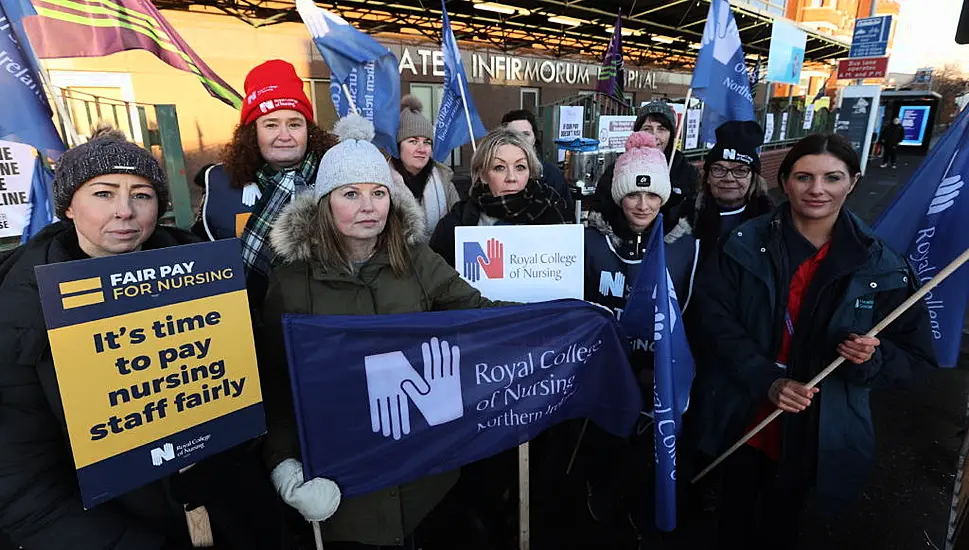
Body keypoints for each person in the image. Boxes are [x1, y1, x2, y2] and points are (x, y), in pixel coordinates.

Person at [0, 128, 290, 550]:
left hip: (236, 520)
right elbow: (26, 487)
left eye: (141, 195)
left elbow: (256, 389)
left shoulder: (206, 275)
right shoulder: (20, 306)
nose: (125, 211)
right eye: (103, 194)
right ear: (68, 207)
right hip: (121, 528)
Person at [259, 114, 508, 549]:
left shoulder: (417, 260)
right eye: (351, 194)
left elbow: (480, 315)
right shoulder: (292, 282)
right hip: (345, 484)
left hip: (425, 479)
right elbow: (278, 382)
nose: (368, 206)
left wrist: (566, 317)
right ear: (325, 202)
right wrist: (284, 466)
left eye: (378, 193)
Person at [689, 133, 937, 550]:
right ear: (784, 181)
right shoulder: (744, 244)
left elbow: (913, 358)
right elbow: (712, 321)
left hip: (820, 429)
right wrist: (762, 376)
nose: (817, 189)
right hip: (744, 416)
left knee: (784, 525)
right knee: (731, 518)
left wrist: (870, 360)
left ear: (853, 182)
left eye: (832, 177)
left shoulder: (885, 265)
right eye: (804, 177)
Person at [582, 130, 699, 546]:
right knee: (606, 440)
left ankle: (638, 506)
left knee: (649, 449)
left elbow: (692, 317)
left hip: (656, 369)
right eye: (633, 195)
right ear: (618, 196)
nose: (643, 204)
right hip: (603, 366)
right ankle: (601, 496)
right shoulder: (590, 242)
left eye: (652, 196)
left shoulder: (686, 247)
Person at [192, 59, 337, 307]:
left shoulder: (336, 175)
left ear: (309, 130)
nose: (284, 136)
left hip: (325, 320)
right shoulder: (219, 183)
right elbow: (202, 265)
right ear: (252, 133)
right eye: (271, 125)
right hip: (250, 324)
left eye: (294, 124)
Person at [429, 127, 571, 266]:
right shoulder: (454, 226)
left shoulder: (552, 212)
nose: (511, 177)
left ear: (531, 172)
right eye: (499, 167)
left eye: (520, 167)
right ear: (483, 175)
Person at [594, 101, 700, 233]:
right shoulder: (621, 167)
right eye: (647, 129)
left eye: (662, 129)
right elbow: (601, 209)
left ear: (671, 134)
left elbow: (692, 215)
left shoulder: (685, 171)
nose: (654, 135)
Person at [678, 120, 774, 260]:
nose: (728, 178)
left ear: (753, 178)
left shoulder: (771, 224)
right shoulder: (685, 216)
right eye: (718, 169)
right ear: (708, 177)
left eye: (740, 170)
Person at [389, 95, 461, 237]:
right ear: (398, 146)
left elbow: (459, 227)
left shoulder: (445, 181)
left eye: (427, 142)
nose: (422, 149)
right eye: (413, 141)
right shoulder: (383, 182)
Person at [500, 108, 575, 217]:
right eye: (513, 135)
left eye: (526, 134)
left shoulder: (552, 175)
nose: (520, 139)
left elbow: (567, 217)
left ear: (534, 138)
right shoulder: (492, 175)